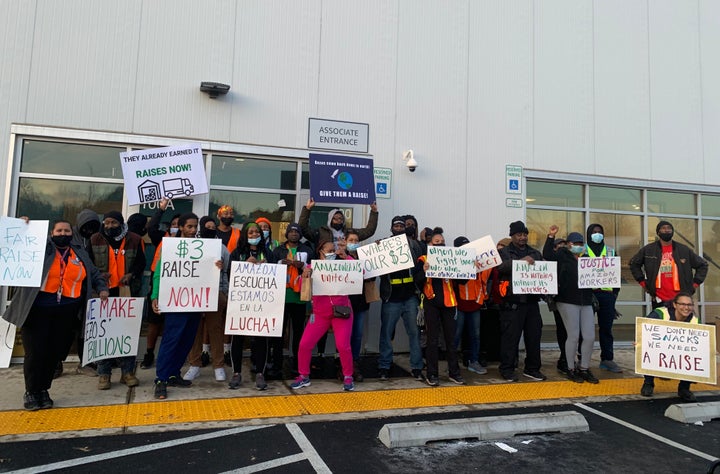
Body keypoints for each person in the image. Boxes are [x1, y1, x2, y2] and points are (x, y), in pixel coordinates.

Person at [3, 219, 109, 411]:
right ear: (51, 233)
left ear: (72, 233)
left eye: (67, 230)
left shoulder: (79, 252)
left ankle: (43, 390)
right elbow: (18, 246)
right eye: (59, 230)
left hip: (67, 312)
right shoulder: (43, 249)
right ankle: (31, 391)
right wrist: (22, 227)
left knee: (54, 354)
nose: (63, 234)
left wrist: (102, 288)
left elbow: (94, 274)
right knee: (35, 353)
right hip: (37, 310)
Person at [151, 213, 221, 399]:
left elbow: (208, 270)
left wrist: (217, 265)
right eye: (189, 226)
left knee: (187, 340)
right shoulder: (170, 246)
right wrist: (155, 296)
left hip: (194, 303)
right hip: (175, 303)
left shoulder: (202, 247)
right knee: (171, 340)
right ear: (181, 227)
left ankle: (174, 374)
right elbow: (159, 272)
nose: (192, 230)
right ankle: (161, 379)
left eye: (195, 226)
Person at [290, 238, 355, 392]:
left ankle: (348, 376)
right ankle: (303, 375)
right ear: (320, 251)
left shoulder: (343, 265)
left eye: (334, 251)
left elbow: (360, 272)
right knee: (305, 344)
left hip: (341, 311)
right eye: (329, 250)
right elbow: (298, 286)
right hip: (320, 313)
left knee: (343, 346)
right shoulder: (312, 267)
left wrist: (346, 256)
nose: (332, 253)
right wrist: (305, 275)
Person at [90, 211, 145, 390]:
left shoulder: (135, 239)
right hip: (103, 293)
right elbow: (89, 264)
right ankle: (104, 374)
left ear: (121, 223)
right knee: (104, 334)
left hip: (126, 291)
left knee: (126, 332)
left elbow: (141, 262)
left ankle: (127, 372)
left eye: (113, 222)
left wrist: (132, 274)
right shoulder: (94, 239)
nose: (109, 226)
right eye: (106, 222)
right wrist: (99, 276)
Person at [544, 228, 598, 384]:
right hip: (567, 300)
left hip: (585, 300)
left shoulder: (587, 259)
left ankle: (584, 368)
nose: (578, 246)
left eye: (581, 243)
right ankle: (570, 368)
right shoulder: (562, 255)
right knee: (573, 335)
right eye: (575, 243)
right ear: (568, 244)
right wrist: (550, 236)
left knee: (589, 336)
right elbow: (548, 255)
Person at [228, 222, 276, 390]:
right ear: (244, 235)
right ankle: (236, 373)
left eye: (257, 232)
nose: (254, 234)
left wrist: (266, 267)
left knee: (262, 338)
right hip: (241, 304)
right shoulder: (237, 253)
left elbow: (274, 275)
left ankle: (260, 374)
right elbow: (230, 275)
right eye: (251, 232)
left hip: (261, 303)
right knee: (238, 338)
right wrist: (245, 266)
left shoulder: (269, 253)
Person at [182, 216, 230, 383]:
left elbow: (226, 272)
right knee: (194, 330)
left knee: (215, 329)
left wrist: (224, 292)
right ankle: (194, 365)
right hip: (194, 293)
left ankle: (218, 366)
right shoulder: (190, 247)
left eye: (213, 226)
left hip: (215, 292)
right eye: (207, 227)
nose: (210, 229)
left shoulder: (222, 248)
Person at [497, 221, 546, 382]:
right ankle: (507, 369)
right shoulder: (504, 252)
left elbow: (544, 268)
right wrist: (521, 262)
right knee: (510, 339)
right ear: (512, 236)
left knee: (534, 337)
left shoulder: (535, 252)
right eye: (519, 234)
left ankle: (532, 368)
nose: (522, 237)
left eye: (525, 234)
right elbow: (500, 268)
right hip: (513, 303)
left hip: (531, 302)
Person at [415, 227, 464, 386]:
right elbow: (417, 281)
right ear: (429, 243)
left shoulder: (452, 259)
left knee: (451, 340)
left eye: (442, 242)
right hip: (431, 303)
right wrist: (424, 271)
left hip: (450, 303)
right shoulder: (423, 259)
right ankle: (432, 374)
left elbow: (463, 281)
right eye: (437, 242)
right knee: (432, 340)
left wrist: (470, 268)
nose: (441, 244)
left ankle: (454, 373)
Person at [377, 217, 424, 381]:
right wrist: (377, 250)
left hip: (410, 296)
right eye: (395, 226)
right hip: (391, 297)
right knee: (386, 334)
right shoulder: (382, 245)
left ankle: (417, 367)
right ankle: (384, 365)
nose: (398, 228)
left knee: (414, 333)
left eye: (401, 226)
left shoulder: (414, 245)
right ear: (391, 228)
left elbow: (421, 264)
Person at [629, 220, 708, 309]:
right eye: (663, 228)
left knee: (680, 322)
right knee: (661, 322)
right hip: (659, 298)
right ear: (658, 232)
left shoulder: (683, 250)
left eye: (669, 228)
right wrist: (643, 282)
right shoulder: (649, 250)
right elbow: (634, 264)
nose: (667, 230)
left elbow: (703, 265)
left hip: (681, 298)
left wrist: (694, 285)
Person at [640, 292, 699, 402]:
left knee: (694, 354)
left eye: (689, 305)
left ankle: (684, 388)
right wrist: (639, 341)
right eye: (682, 304)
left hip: (680, 350)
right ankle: (648, 383)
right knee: (645, 349)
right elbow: (644, 329)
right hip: (659, 348)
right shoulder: (660, 314)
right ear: (675, 305)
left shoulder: (694, 321)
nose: (686, 308)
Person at [271, 223, 313, 375]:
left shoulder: (307, 250)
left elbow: (314, 270)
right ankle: (276, 364)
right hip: (281, 297)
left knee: (298, 333)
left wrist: (302, 266)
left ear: (300, 235)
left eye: (297, 231)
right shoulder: (278, 250)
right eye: (291, 231)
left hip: (299, 298)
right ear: (286, 234)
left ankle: (298, 364)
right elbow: (270, 270)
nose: (294, 234)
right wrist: (280, 264)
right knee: (279, 333)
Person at [584, 223, 623, 374]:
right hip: (588, 295)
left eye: (600, 232)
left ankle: (607, 359)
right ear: (589, 234)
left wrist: (614, 294)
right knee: (586, 330)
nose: (597, 234)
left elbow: (616, 273)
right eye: (594, 232)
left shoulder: (610, 251)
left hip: (607, 295)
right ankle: (583, 359)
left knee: (606, 329)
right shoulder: (583, 251)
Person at [342, 228, 377, 382]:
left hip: (361, 302)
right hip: (344, 303)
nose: (354, 243)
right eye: (351, 240)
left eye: (356, 241)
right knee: (344, 336)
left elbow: (373, 274)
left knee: (357, 335)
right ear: (345, 241)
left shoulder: (365, 257)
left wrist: (376, 253)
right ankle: (343, 364)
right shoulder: (339, 257)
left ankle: (354, 363)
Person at [453, 236, 490, 376]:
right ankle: (453, 363)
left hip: (475, 303)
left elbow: (485, 279)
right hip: (458, 304)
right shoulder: (452, 263)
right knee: (456, 335)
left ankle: (474, 361)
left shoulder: (479, 262)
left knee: (475, 335)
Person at [298, 198, 378, 249]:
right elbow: (303, 229)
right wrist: (307, 208)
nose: (338, 220)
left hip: (346, 262)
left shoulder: (350, 232)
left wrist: (374, 211)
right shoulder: (320, 232)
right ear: (330, 220)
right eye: (335, 218)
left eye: (340, 218)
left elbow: (369, 231)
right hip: (325, 265)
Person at [547, 236, 572, 376]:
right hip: (559, 302)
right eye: (558, 246)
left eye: (564, 246)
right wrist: (550, 237)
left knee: (572, 332)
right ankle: (564, 358)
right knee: (562, 331)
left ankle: (569, 358)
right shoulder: (552, 262)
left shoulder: (572, 262)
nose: (562, 249)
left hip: (573, 302)